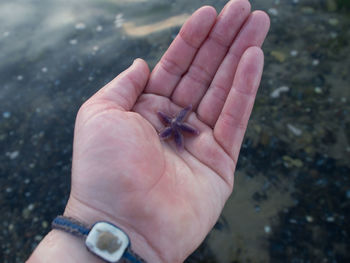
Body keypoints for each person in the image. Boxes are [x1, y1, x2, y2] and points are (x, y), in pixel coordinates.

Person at [27, 0, 270, 262]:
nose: (172, 125)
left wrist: (96, 220)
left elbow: (177, 122)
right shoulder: (173, 125)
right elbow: (175, 122)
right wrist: (133, 233)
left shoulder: (175, 124)